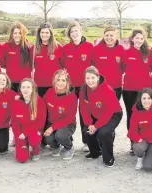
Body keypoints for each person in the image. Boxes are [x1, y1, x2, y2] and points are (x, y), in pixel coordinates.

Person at [79, 66, 123, 167]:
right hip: (96, 114)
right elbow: (84, 109)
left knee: (104, 132)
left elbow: (108, 113)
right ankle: (96, 152)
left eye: (93, 78)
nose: (90, 81)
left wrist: (96, 126)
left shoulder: (108, 90)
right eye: (87, 78)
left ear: (98, 77)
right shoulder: (84, 89)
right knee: (86, 130)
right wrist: (90, 124)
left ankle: (109, 157)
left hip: (113, 114)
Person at [62, 21, 93, 152]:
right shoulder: (65, 49)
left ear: (81, 31)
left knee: (84, 114)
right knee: (68, 113)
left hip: (85, 86)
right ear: (69, 34)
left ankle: (86, 141)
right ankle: (68, 140)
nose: (75, 33)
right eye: (72, 31)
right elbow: (62, 67)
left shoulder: (89, 47)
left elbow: (94, 67)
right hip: (70, 87)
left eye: (76, 30)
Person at [122, 28, 152, 153]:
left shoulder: (150, 53)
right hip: (129, 90)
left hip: (144, 91)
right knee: (131, 116)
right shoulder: (126, 52)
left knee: (145, 116)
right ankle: (133, 143)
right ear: (132, 39)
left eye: (141, 38)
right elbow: (122, 69)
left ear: (144, 39)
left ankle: (146, 142)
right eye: (137, 38)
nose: (139, 40)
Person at [128, 88, 152, 171]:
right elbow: (131, 131)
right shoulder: (136, 113)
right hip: (143, 141)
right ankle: (140, 158)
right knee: (139, 148)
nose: (146, 101)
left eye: (149, 98)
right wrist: (139, 139)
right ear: (140, 99)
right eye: (144, 98)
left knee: (148, 167)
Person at [43, 70, 77, 160]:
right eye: (58, 80)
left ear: (67, 82)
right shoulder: (49, 92)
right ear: (54, 81)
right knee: (48, 138)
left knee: (60, 135)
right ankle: (56, 146)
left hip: (67, 124)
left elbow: (69, 118)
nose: (60, 83)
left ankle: (69, 147)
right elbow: (41, 106)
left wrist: (52, 128)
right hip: (52, 122)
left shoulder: (72, 97)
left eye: (63, 80)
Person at [11, 78, 47, 163]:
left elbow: (40, 123)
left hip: (33, 131)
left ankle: (35, 151)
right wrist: (18, 135)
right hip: (21, 133)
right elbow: (14, 122)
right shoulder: (16, 102)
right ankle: (25, 147)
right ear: (20, 89)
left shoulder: (39, 101)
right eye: (23, 87)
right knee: (22, 159)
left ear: (33, 89)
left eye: (28, 87)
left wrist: (26, 133)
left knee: (33, 139)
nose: (26, 89)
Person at [91, 25, 125, 100]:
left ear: (115, 37)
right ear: (103, 36)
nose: (109, 38)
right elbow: (92, 67)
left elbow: (123, 68)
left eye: (111, 35)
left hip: (116, 87)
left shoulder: (121, 49)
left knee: (114, 110)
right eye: (106, 35)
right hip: (100, 86)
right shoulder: (96, 49)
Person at [32, 22, 63, 98]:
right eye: (42, 32)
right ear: (39, 34)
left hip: (54, 85)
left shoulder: (58, 47)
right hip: (39, 85)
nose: (44, 35)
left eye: (47, 32)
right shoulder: (33, 48)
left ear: (51, 34)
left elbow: (63, 66)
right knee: (41, 108)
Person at [1, 22, 33, 92]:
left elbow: (33, 65)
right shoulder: (5, 47)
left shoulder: (30, 47)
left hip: (25, 84)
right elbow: (2, 65)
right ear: (12, 34)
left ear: (23, 34)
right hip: (10, 83)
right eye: (15, 33)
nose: (17, 35)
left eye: (20, 33)